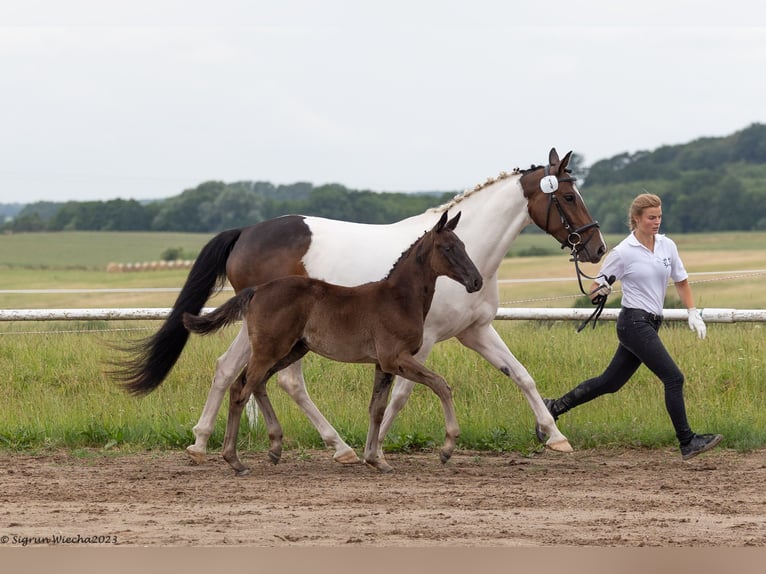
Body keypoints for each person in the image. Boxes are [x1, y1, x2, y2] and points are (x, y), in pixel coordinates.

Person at [541, 193, 722, 460]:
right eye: (651, 218)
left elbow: (681, 280)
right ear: (636, 219)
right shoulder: (623, 253)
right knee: (674, 378)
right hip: (634, 323)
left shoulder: (667, 246)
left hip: (650, 323)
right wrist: (602, 289)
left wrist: (692, 312)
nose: (657, 222)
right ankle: (687, 441)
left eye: (659, 216)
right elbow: (594, 290)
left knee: (609, 383)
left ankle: (553, 407)